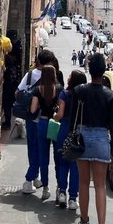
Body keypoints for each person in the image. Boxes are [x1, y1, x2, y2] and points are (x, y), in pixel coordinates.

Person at [70, 53, 113, 224]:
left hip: (82, 138)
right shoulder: (110, 95)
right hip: (101, 139)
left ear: (90, 71)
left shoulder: (79, 91)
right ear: (104, 71)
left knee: (84, 183)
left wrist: (70, 139)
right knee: (100, 185)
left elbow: (73, 119)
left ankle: (84, 223)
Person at [17, 49, 58, 194]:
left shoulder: (30, 75)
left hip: (32, 119)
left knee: (33, 149)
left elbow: (18, 92)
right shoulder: (54, 76)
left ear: (38, 61)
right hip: (47, 120)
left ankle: (32, 177)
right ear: (51, 62)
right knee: (43, 151)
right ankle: (32, 178)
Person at [54, 69, 87, 210]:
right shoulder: (84, 96)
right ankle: (73, 198)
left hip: (64, 129)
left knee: (63, 161)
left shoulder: (64, 94)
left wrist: (54, 116)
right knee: (75, 166)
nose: (68, 78)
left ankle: (62, 192)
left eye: (70, 76)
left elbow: (60, 114)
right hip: (78, 131)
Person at [30, 65, 62, 200]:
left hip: (42, 123)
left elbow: (32, 110)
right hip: (55, 123)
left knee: (43, 157)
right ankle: (60, 188)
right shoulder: (59, 89)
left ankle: (45, 188)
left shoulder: (38, 90)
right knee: (58, 157)